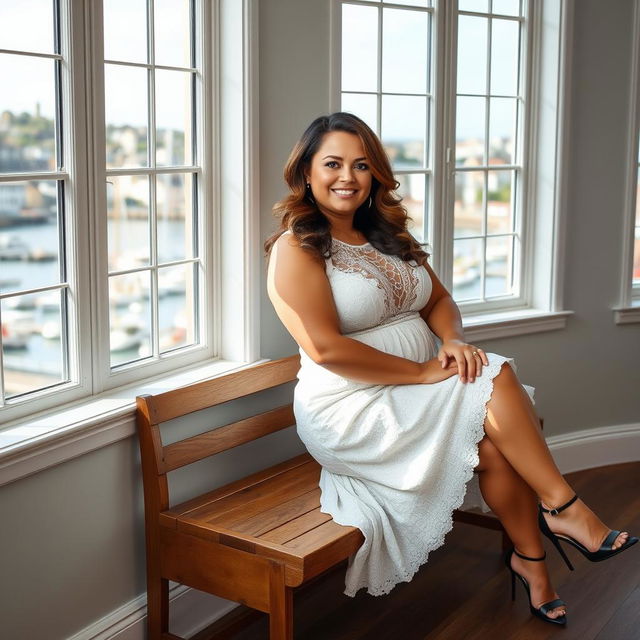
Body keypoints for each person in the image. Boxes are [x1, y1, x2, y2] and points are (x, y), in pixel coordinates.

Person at [264, 112, 637, 625]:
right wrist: (421, 374)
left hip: (418, 389)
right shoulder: (298, 247)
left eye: (361, 165)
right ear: (307, 172)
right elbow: (326, 349)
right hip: (353, 408)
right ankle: (564, 508)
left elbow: (437, 298)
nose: (347, 176)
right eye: (332, 164)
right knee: (496, 374)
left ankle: (533, 563)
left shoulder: (385, 234)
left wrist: (453, 339)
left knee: (493, 441)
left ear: (376, 175)